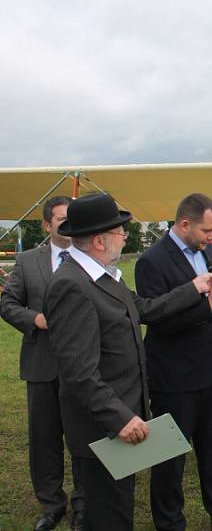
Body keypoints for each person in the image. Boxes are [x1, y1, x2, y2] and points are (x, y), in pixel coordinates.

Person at [42, 193, 212, 531]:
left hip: (121, 420)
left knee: (119, 510)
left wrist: (193, 287)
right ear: (99, 240)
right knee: (107, 516)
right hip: (103, 428)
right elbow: (78, 371)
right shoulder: (72, 285)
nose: (124, 237)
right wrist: (118, 418)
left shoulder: (104, 277)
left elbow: (145, 308)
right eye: (119, 232)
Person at [135, 193, 212, 531]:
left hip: (210, 371)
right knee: (168, 460)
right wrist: (210, 305)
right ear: (184, 224)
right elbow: (159, 321)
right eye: (207, 231)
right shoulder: (151, 262)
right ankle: (170, 524)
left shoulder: (209, 251)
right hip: (173, 377)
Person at [0, 196, 87, 531]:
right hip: (41, 365)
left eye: (72, 219)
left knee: (82, 438)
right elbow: (7, 304)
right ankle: (52, 505)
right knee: (44, 439)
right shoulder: (26, 261)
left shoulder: (91, 258)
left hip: (83, 366)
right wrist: (33, 318)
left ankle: (83, 505)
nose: (68, 225)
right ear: (47, 224)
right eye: (62, 219)